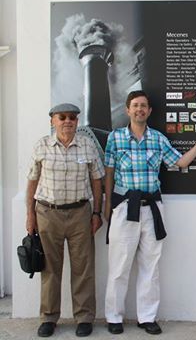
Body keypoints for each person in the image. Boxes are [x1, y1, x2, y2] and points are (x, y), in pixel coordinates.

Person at [103, 90, 196, 335]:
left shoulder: (157, 139)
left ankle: (147, 317)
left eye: (143, 106)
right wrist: (107, 205)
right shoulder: (115, 138)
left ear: (149, 111)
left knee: (150, 266)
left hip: (152, 209)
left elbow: (181, 162)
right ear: (127, 110)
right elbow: (109, 172)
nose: (139, 110)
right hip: (124, 207)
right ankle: (114, 317)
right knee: (119, 266)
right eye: (135, 105)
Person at [26, 103, 105, 338]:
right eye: (62, 117)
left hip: (80, 213)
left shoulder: (88, 145)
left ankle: (84, 317)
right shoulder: (42, 146)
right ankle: (49, 317)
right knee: (50, 269)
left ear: (77, 121)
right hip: (48, 214)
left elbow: (97, 181)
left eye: (72, 117)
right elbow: (31, 182)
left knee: (84, 268)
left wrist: (96, 213)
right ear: (53, 121)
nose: (68, 121)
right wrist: (30, 215)